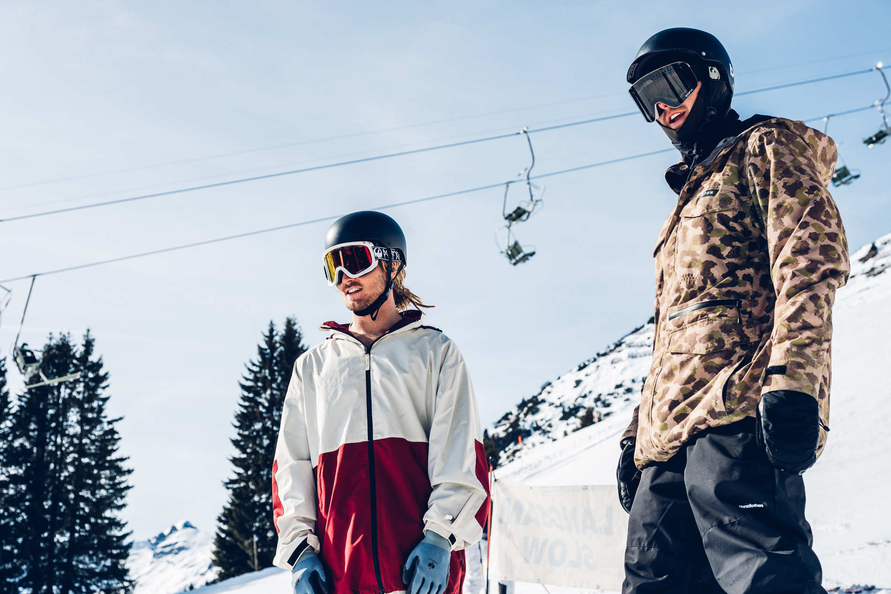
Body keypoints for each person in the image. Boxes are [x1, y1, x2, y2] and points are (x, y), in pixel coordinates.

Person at [617, 28, 850, 594]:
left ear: (713, 80)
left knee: (764, 578)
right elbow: (674, 333)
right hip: (665, 440)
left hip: (736, 410)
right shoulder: (687, 201)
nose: (664, 109)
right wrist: (633, 435)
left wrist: (793, 383)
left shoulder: (765, 147)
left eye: (671, 85)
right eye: (648, 99)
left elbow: (810, 260)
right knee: (651, 585)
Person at [272, 210, 490, 594]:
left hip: (419, 573)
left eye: (355, 261)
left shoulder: (435, 353)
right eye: (333, 266)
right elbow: (291, 466)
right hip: (342, 577)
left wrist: (441, 536)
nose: (344, 278)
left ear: (392, 263)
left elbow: (462, 454)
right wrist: (301, 551)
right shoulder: (313, 368)